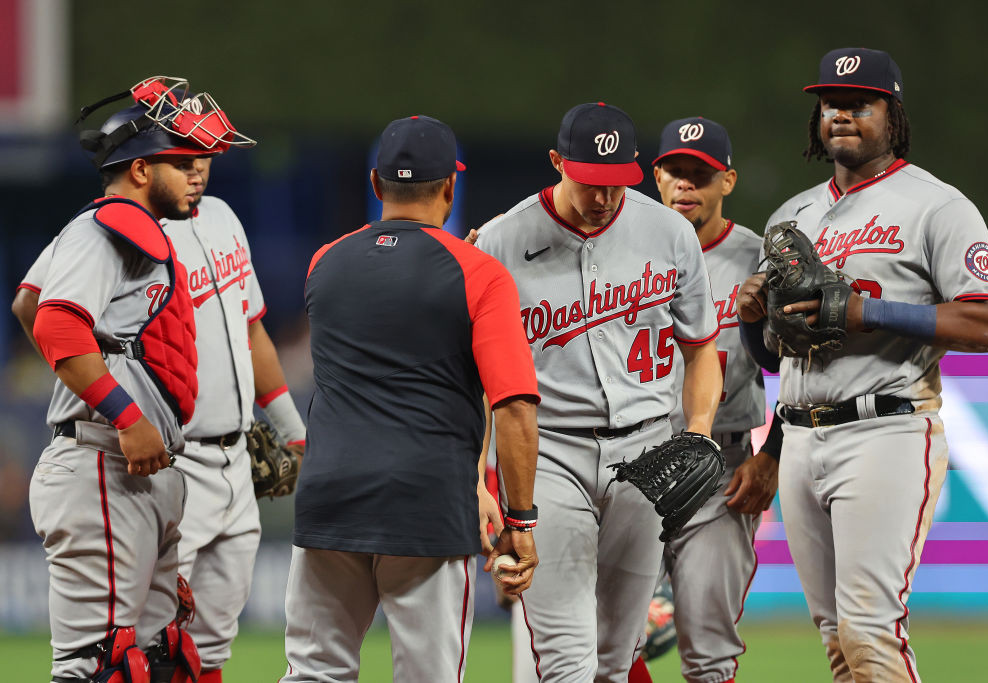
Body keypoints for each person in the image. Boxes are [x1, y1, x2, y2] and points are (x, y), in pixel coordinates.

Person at [737, 48, 988, 681]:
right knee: (837, 641)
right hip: (801, 436)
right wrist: (754, 320)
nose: (842, 114)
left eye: (861, 102)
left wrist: (872, 314)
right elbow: (775, 360)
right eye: (832, 103)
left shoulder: (937, 206)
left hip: (886, 427)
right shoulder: (791, 216)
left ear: (893, 114)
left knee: (869, 629)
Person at [13, 153, 303, 683]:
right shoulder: (112, 226)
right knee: (110, 659)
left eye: (205, 160)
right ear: (143, 166)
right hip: (161, 454)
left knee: (188, 653)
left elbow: (252, 327)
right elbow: (36, 306)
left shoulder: (221, 218)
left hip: (230, 459)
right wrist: (107, 398)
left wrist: (291, 428)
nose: (198, 172)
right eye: (184, 158)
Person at [283, 114, 540, 683]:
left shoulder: (323, 264)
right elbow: (515, 404)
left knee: (314, 673)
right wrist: (520, 518)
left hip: (330, 497)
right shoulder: (480, 273)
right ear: (451, 188)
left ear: (376, 186)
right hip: (426, 505)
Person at [474, 102, 722, 683]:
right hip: (549, 454)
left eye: (616, 183)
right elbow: (475, 382)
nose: (604, 198)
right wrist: (480, 477)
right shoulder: (500, 242)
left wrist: (699, 431)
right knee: (565, 657)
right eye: (589, 182)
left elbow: (701, 349)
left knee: (618, 655)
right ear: (558, 162)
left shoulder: (669, 233)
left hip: (648, 452)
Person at [646, 116, 781, 683]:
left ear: (727, 181)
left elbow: (796, 369)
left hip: (722, 468)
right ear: (656, 176)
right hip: (629, 463)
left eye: (699, 174)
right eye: (675, 171)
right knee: (609, 645)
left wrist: (773, 451)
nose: (685, 185)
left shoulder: (762, 260)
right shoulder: (619, 250)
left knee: (709, 649)